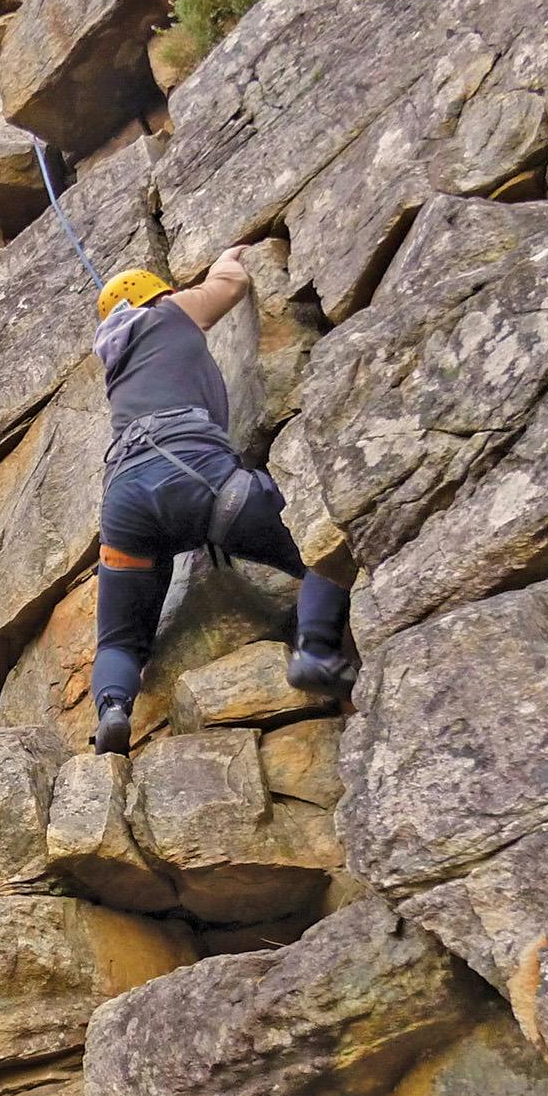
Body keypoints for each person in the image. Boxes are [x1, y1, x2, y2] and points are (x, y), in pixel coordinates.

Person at [90, 247, 356, 755]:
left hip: (125, 506)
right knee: (327, 537)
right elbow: (228, 287)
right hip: (202, 481)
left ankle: (114, 709)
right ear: (157, 296)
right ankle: (317, 650)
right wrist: (227, 258)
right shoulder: (166, 314)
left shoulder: (115, 363)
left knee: (119, 640)